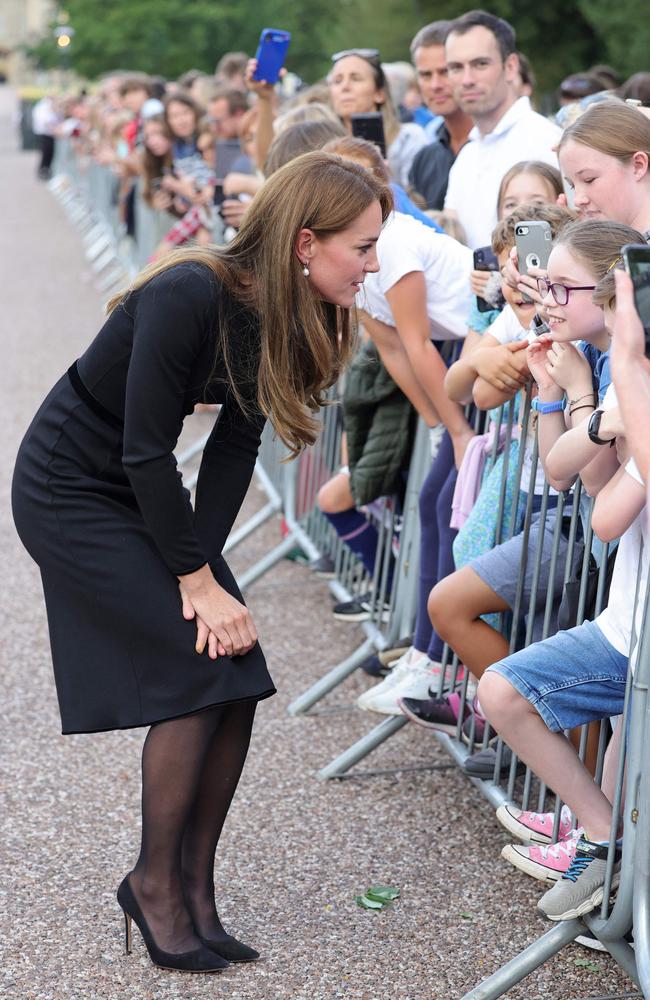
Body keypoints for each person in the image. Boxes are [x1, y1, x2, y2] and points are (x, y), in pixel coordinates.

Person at [11, 152, 392, 973]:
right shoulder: (191, 290)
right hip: (70, 489)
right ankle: (153, 886)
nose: (373, 264)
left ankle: (193, 886)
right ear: (304, 241)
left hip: (134, 489)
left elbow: (230, 451)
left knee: (238, 663)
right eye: (362, 247)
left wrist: (210, 573)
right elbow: (148, 450)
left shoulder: (278, 312)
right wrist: (193, 583)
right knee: (200, 663)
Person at [442, 10, 560, 248]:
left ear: (511, 66)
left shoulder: (547, 141)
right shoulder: (467, 156)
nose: (467, 79)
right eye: (455, 67)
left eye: (480, 64)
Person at [327, 48, 428, 186]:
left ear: (379, 93)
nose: (345, 87)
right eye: (337, 80)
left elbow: (418, 201)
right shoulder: (323, 145)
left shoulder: (409, 139)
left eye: (356, 78)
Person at [408, 21, 473, 210]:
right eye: (426, 75)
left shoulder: (496, 146)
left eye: (444, 71)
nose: (435, 85)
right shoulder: (424, 159)